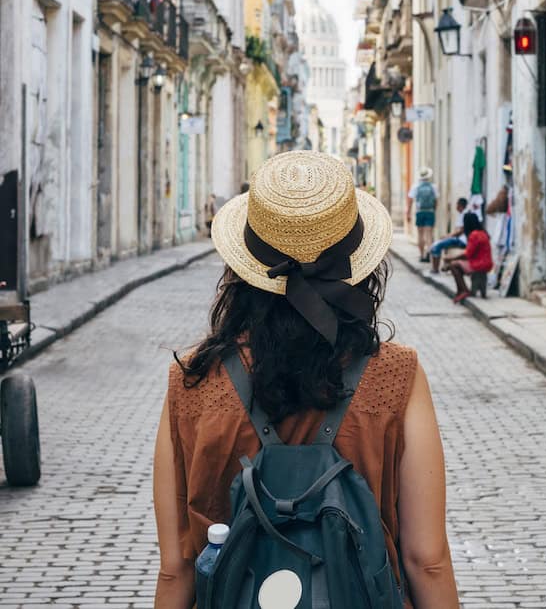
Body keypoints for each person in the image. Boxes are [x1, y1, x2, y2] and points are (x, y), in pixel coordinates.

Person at [153, 151, 459, 609]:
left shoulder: (191, 381)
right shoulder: (396, 375)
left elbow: (177, 567)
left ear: (243, 268)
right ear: (358, 265)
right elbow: (426, 559)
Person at [444, 212, 493, 304]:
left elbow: (467, 254)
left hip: (479, 264)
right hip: (487, 264)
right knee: (455, 263)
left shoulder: (474, 235)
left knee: (453, 265)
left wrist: (450, 258)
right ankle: (462, 290)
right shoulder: (483, 233)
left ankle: (463, 289)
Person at [407, 167, 438, 262]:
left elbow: (410, 200)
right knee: (429, 234)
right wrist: (434, 210)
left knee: (420, 234)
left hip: (420, 212)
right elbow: (436, 201)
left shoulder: (415, 187)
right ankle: (429, 253)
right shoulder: (433, 187)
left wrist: (408, 213)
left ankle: (422, 255)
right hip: (430, 211)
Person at [429, 197, 468, 273]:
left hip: (461, 240)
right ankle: (443, 266)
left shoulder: (464, 215)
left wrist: (448, 236)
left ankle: (435, 269)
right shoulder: (461, 214)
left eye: (457, 204)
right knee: (439, 244)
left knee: (437, 246)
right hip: (458, 239)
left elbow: (461, 231)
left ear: (460, 205)